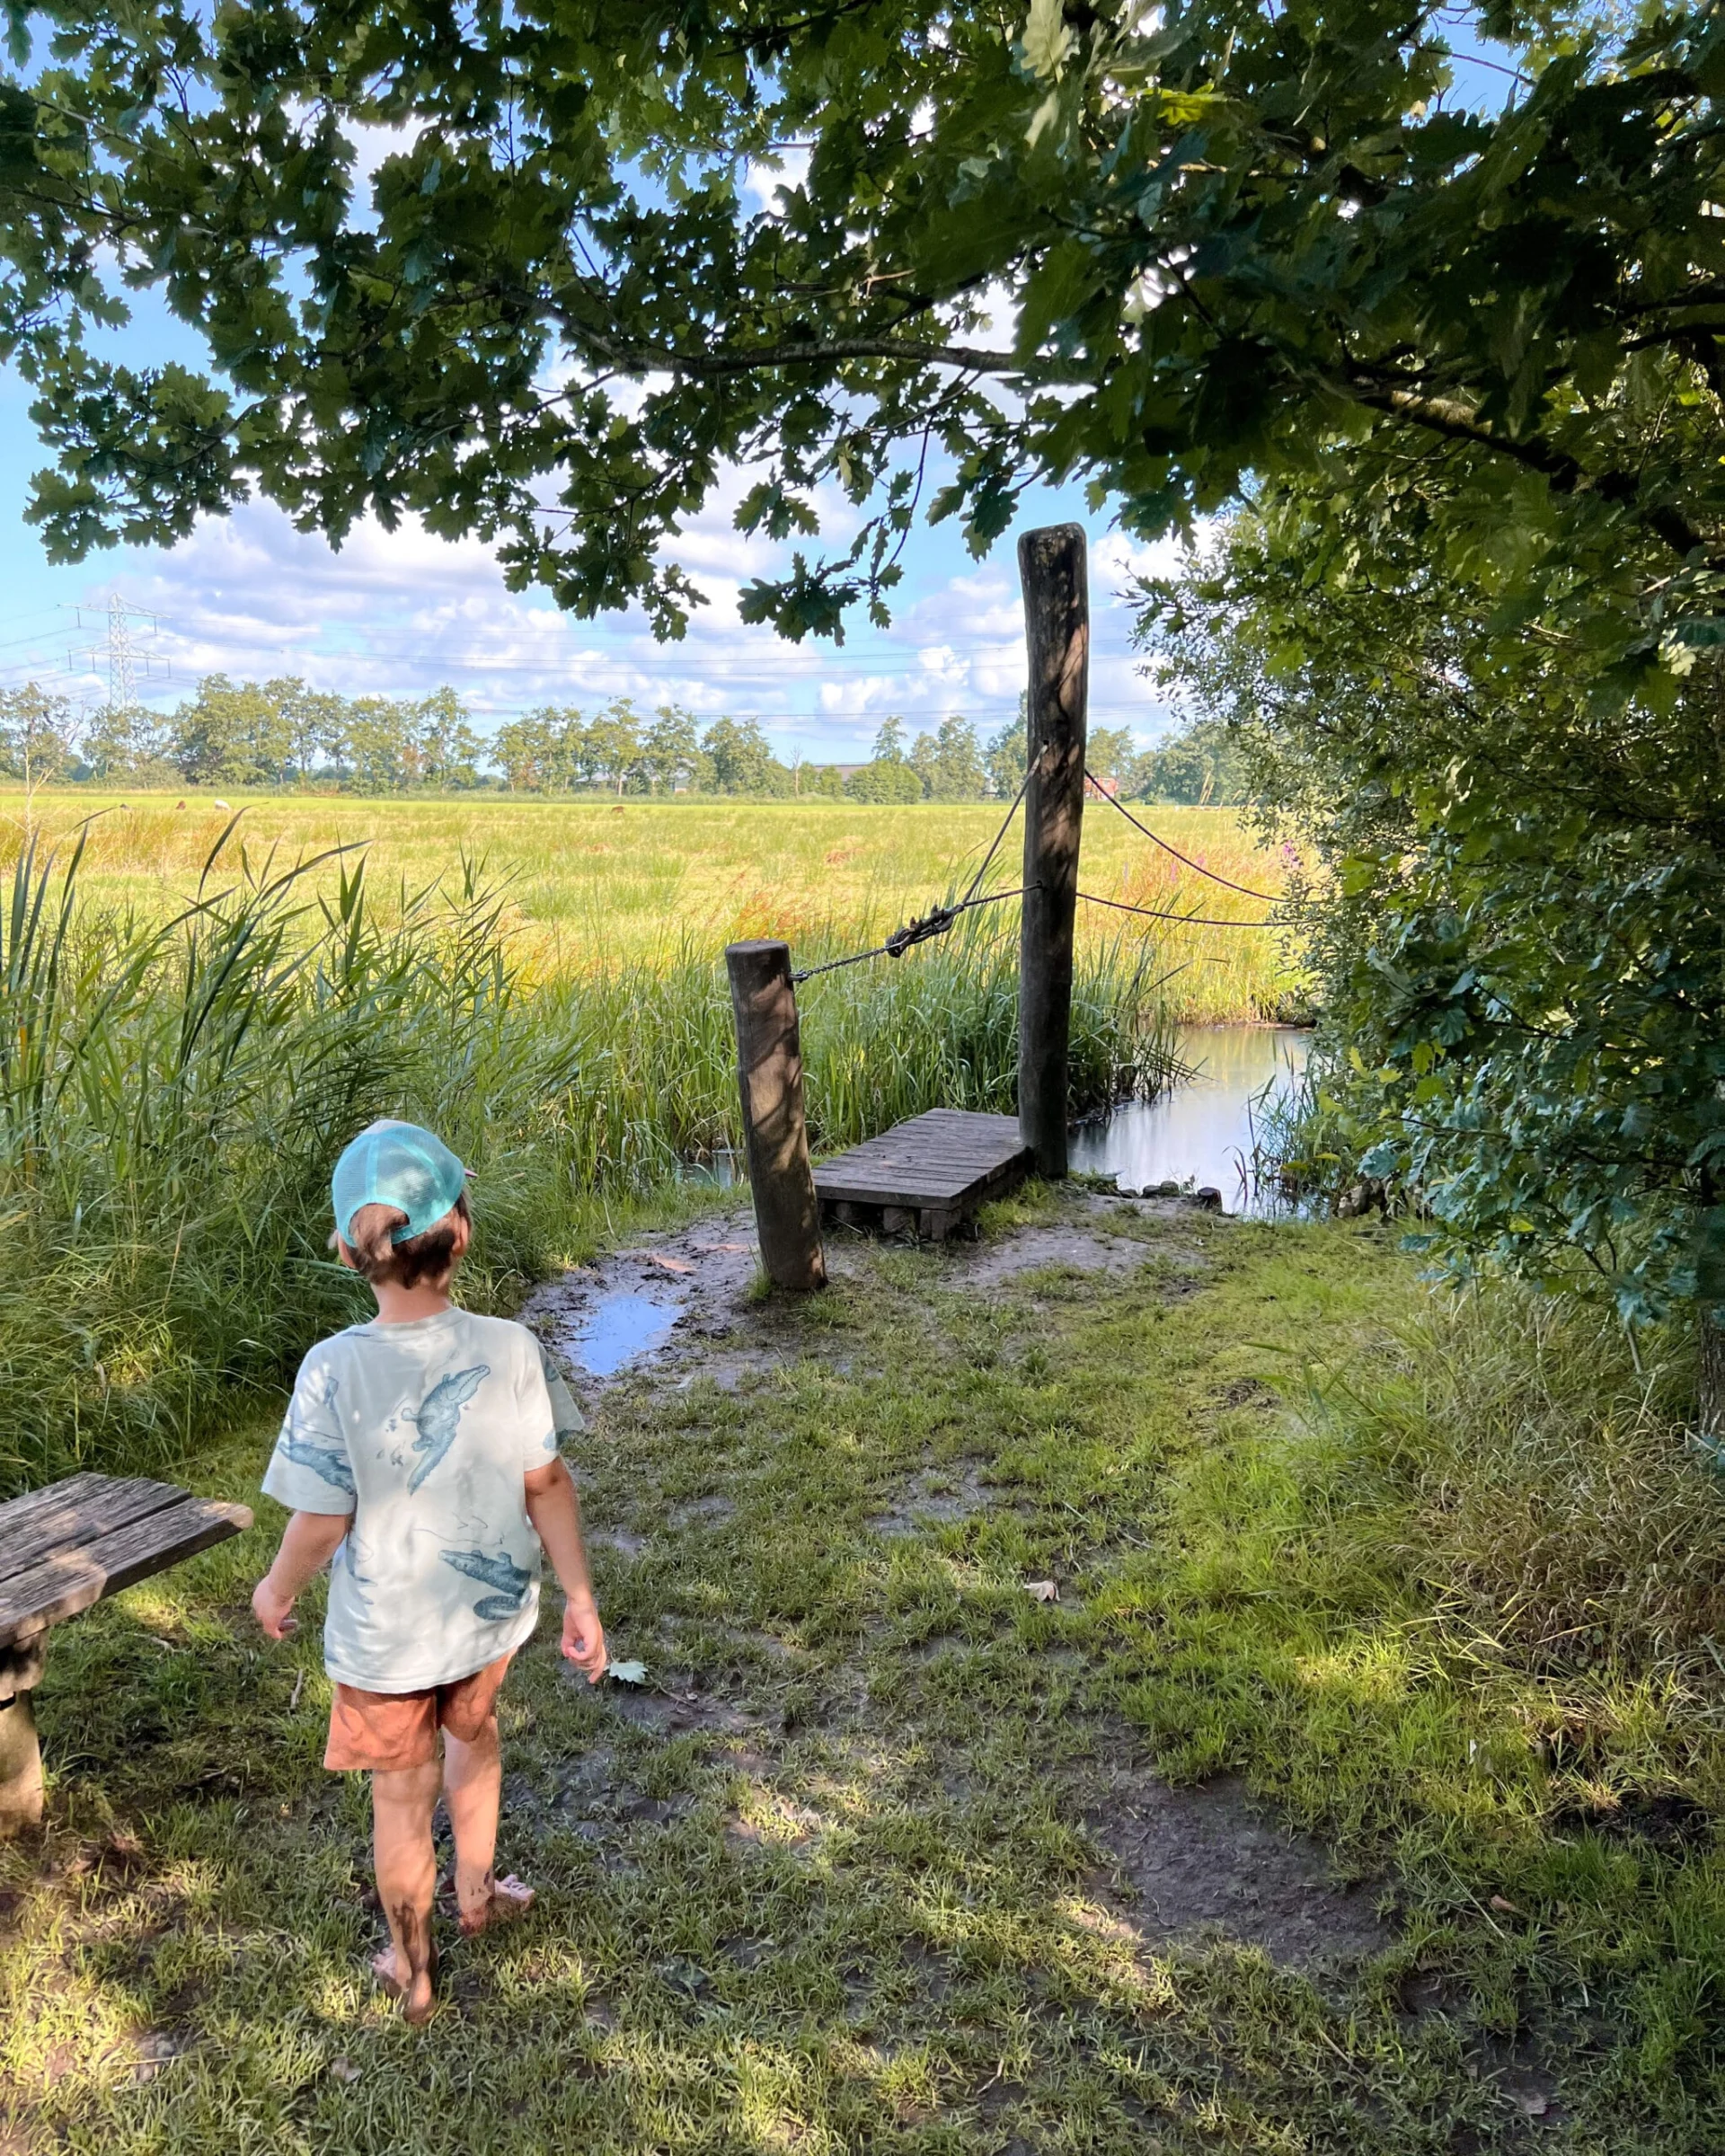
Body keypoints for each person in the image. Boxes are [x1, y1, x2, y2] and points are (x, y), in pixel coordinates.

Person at [252, 1118, 606, 2024]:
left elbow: (321, 1519)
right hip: (487, 1620)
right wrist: (579, 1596)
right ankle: (477, 1897)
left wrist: (277, 1589)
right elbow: (547, 1482)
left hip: (385, 1645)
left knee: (400, 1804)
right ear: (463, 1233)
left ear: (347, 1251)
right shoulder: (512, 1348)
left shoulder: (333, 1369)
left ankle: (414, 1971)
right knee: (475, 1739)